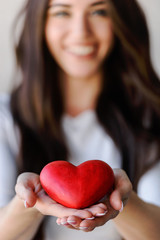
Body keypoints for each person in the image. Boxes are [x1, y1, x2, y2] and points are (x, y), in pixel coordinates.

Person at [0, 0, 160, 239]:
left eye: (98, 11)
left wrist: (121, 200)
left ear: (122, 21)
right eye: (62, 12)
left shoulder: (152, 116)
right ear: (40, 23)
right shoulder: (5, 116)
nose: (80, 32)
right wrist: (30, 201)